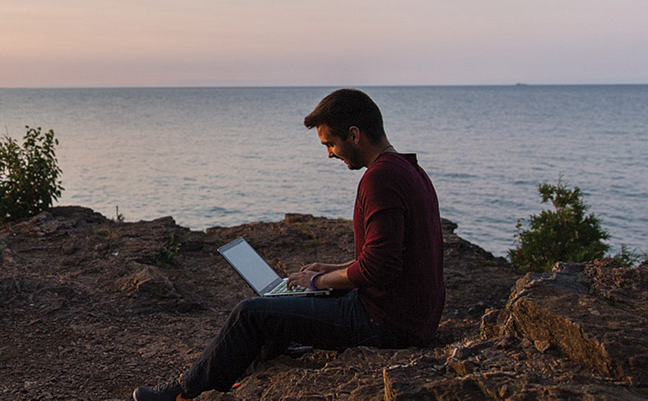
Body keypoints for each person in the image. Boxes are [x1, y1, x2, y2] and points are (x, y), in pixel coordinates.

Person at [133, 88, 445, 401]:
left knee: (251, 313)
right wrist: (332, 270)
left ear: (354, 135)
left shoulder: (380, 179)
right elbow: (390, 257)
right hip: (412, 318)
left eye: (331, 144)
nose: (329, 154)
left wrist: (317, 281)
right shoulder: (411, 170)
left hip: (385, 323)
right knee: (280, 310)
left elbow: (379, 267)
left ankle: (183, 392)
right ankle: (241, 373)